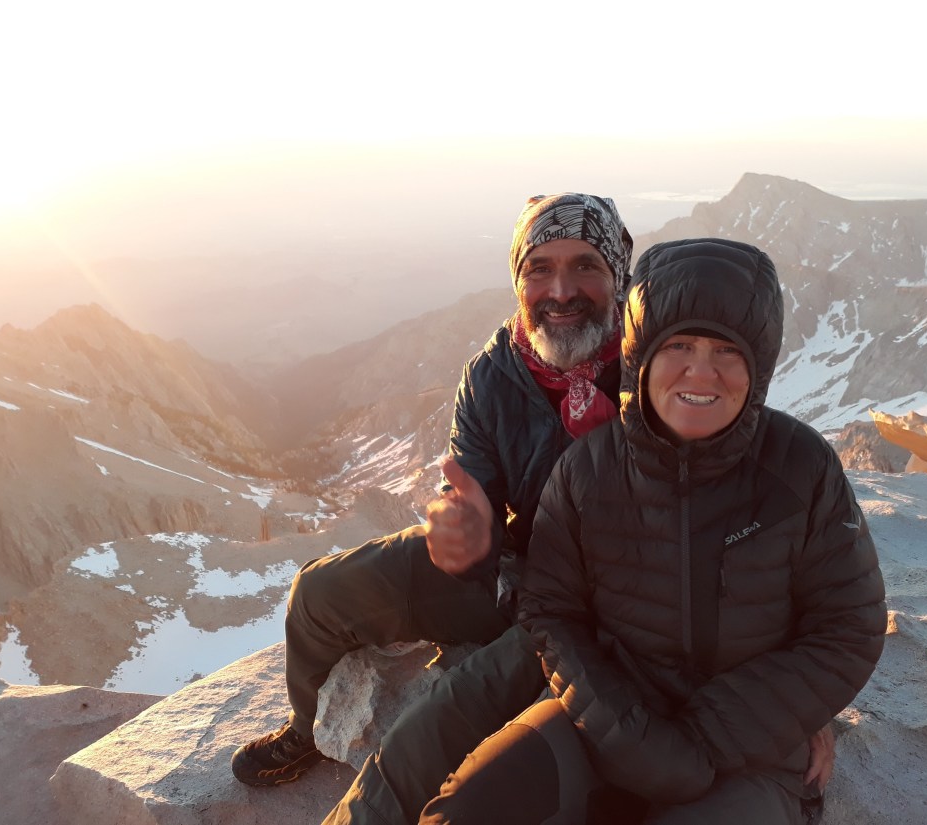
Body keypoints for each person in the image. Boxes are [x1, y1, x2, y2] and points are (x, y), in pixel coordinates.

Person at [418, 238, 887, 824]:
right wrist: (632, 736)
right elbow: (552, 611)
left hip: (751, 754)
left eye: (727, 350)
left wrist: (706, 740)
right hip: (604, 725)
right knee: (461, 813)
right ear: (640, 356)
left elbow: (847, 629)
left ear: (758, 365)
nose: (701, 371)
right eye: (679, 345)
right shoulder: (588, 471)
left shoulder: (800, 469)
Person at [230, 193, 634, 798]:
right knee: (317, 593)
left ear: (618, 276)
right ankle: (310, 728)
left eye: (585, 266)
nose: (560, 291)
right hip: (512, 574)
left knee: (450, 721)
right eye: (539, 269)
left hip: (615, 606)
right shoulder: (494, 376)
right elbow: (471, 490)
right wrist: (463, 533)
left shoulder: (654, 367)